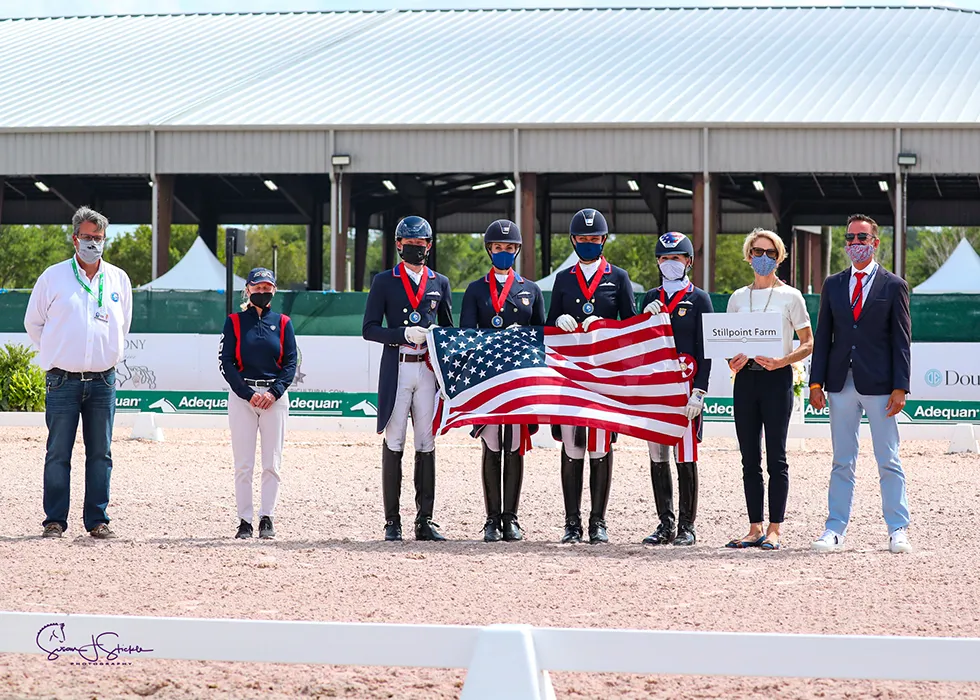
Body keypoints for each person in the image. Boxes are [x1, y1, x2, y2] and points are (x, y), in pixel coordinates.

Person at [24, 206, 133, 539]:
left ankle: (98, 520)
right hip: (62, 380)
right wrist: (59, 350)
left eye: (98, 238)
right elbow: (34, 323)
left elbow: (123, 324)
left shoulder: (118, 279)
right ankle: (54, 520)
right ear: (74, 239)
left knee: (101, 453)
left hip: (103, 380)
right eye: (87, 237)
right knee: (58, 452)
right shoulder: (53, 277)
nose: (93, 243)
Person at [808, 214, 912, 554]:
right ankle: (834, 528)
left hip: (880, 384)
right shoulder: (833, 284)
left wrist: (901, 386)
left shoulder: (893, 285)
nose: (855, 244)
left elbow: (901, 340)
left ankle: (898, 528)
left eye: (862, 239)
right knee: (842, 459)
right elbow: (824, 336)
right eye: (850, 238)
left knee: (888, 458)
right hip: (840, 383)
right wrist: (815, 382)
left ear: (875, 243)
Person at [546, 208, 637, 544]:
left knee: (599, 446)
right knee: (572, 446)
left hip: (604, 376)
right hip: (570, 374)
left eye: (594, 239)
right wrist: (560, 322)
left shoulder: (620, 278)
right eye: (582, 239)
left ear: (603, 240)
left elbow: (630, 327)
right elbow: (550, 321)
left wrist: (605, 326)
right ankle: (572, 522)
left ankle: (598, 521)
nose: (588, 244)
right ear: (573, 241)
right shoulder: (564, 279)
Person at [363, 216, 454, 542]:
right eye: (410, 245)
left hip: (427, 369)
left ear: (429, 246)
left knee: (426, 443)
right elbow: (369, 328)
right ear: (399, 245)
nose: (416, 250)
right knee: (395, 440)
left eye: (421, 245)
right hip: (399, 365)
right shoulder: (384, 281)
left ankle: (424, 520)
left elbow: (448, 328)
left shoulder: (439, 282)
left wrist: (436, 337)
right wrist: (401, 332)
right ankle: (392, 521)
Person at [725, 228, 812, 551]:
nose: (764, 258)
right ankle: (754, 527)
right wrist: (730, 360)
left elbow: (808, 343)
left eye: (771, 253)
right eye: (758, 252)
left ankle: (775, 528)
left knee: (776, 456)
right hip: (746, 380)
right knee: (749, 457)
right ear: (749, 256)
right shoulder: (736, 298)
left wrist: (783, 360)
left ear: (779, 258)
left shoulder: (791, 297)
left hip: (777, 379)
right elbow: (727, 342)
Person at [460, 220, 546, 542]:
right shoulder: (475, 290)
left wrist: (520, 339)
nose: (504, 253)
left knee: (514, 446)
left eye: (510, 249)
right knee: (492, 443)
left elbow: (540, 337)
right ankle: (491, 519)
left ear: (517, 250)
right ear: (489, 250)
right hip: (488, 378)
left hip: (518, 378)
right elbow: (467, 335)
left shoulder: (530, 290)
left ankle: (512, 517)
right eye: (498, 248)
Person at [638, 232, 712, 547]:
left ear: (688, 262)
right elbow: (638, 346)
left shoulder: (700, 299)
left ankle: (686, 525)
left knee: (685, 455)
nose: (671, 264)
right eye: (666, 258)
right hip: (656, 389)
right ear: (658, 261)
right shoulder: (650, 298)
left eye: (677, 258)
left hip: (686, 389)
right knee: (658, 455)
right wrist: (644, 318)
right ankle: (665, 522)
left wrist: (701, 390)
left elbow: (706, 347)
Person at [219, 267, 297, 540]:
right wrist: (246, 392)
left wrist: (274, 392)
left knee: (272, 462)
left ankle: (267, 517)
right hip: (244, 398)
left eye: (267, 288)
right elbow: (226, 362)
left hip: (274, 398)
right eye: (257, 288)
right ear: (248, 290)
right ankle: (244, 520)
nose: (262, 292)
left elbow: (290, 363)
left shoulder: (284, 322)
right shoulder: (234, 321)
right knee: (243, 464)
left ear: (273, 291)